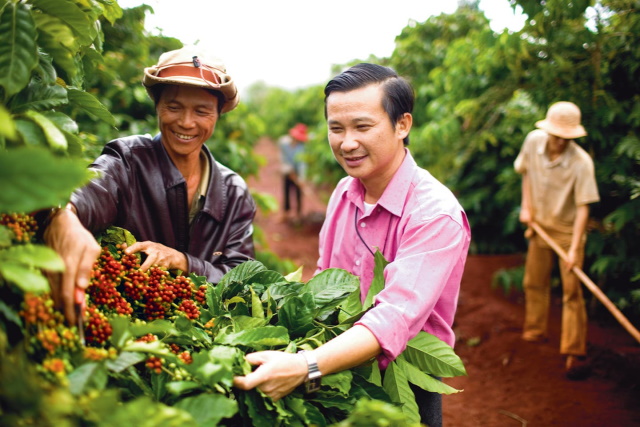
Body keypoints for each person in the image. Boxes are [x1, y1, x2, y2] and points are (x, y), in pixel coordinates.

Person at [234, 63, 471, 427]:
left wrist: (305, 365)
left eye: (362, 126)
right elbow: (327, 279)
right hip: (335, 365)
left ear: (402, 125)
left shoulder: (434, 214)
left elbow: (393, 317)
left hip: (401, 377)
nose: (347, 142)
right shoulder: (344, 192)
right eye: (336, 128)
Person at [43, 46, 257, 325]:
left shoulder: (233, 191)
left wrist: (183, 261)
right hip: (125, 327)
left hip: (202, 332)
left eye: (201, 110)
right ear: (157, 106)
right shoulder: (127, 160)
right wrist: (65, 215)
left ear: (218, 114)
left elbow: (243, 276)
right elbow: (92, 188)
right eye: (173, 107)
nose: (186, 122)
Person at [514, 101, 600, 380]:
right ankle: (535, 330)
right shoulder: (533, 142)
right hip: (539, 225)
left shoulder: (581, 163)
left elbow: (584, 208)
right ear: (547, 130)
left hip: (566, 232)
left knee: (572, 291)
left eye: (567, 138)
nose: (560, 142)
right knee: (534, 281)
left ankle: (573, 349)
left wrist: (575, 248)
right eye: (556, 136)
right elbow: (525, 172)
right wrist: (526, 207)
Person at [278, 123, 309, 223]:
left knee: (298, 193)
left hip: (297, 171)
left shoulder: (301, 147)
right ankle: (286, 214)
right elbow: (283, 158)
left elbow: (302, 163)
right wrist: (289, 171)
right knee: (286, 191)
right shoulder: (283, 143)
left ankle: (298, 214)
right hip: (287, 170)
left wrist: (301, 179)